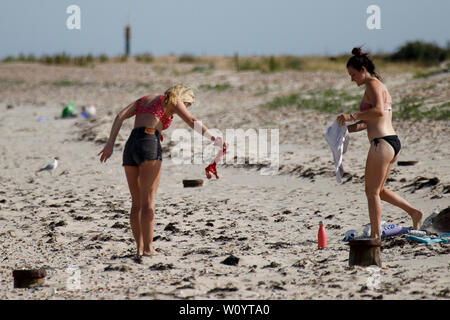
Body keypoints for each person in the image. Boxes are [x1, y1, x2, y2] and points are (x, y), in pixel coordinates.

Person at [98, 84, 226, 258]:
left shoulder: (144, 99)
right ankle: (149, 249)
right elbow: (192, 121)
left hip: (130, 146)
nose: (185, 107)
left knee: (136, 203)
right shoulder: (173, 99)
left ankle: (139, 248)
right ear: (184, 98)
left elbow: (120, 116)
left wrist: (110, 144)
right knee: (148, 203)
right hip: (149, 143)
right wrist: (214, 138)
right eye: (187, 104)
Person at [337, 47, 423, 239]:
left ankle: (375, 236)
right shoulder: (377, 86)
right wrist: (344, 130)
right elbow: (368, 122)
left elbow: (377, 111)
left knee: (371, 192)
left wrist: (351, 115)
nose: (352, 79)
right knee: (380, 191)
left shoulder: (373, 85)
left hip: (382, 143)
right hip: (391, 142)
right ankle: (414, 212)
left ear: (362, 70)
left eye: (352, 74)